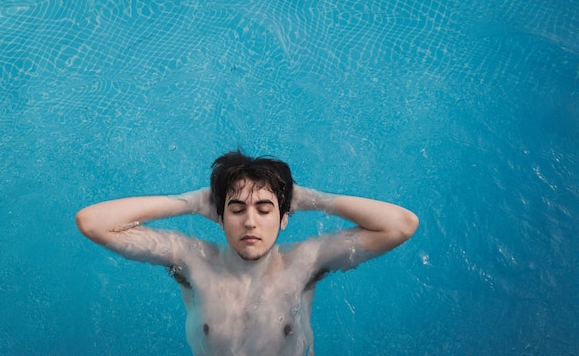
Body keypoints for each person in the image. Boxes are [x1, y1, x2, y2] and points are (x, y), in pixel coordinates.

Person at [76, 151, 418, 356]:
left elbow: (400, 225)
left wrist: (315, 199)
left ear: (284, 219)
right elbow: (92, 222)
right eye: (236, 209)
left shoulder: (306, 261)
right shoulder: (192, 261)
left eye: (265, 210)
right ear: (219, 217)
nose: (250, 222)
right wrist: (189, 203)